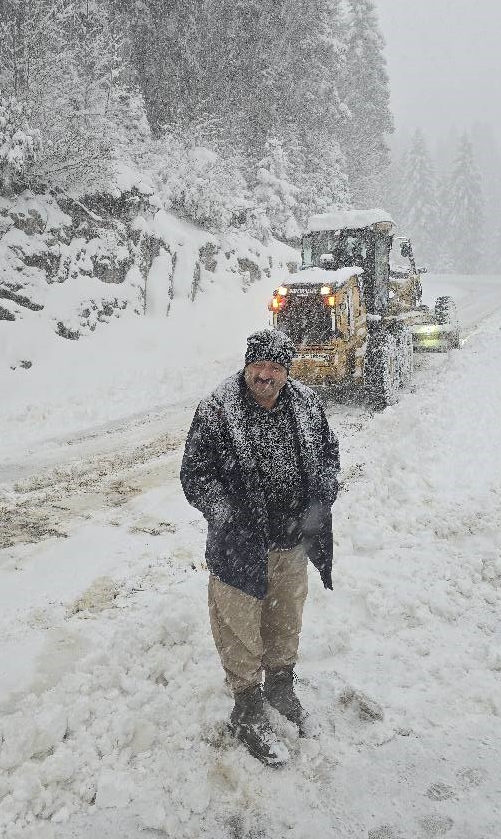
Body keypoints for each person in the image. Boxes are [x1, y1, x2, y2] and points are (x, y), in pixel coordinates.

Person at [180, 328, 340, 765]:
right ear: (247, 364)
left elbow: (328, 457)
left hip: (291, 542)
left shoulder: (306, 404)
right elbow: (195, 474)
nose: (265, 375)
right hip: (238, 547)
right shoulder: (218, 407)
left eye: (275, 367)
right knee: (238, 626)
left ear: (287, 371)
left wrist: (320, 500)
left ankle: (281, 686)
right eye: (258, 365)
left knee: (285, 619)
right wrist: (227, 514)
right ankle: (247, 705)